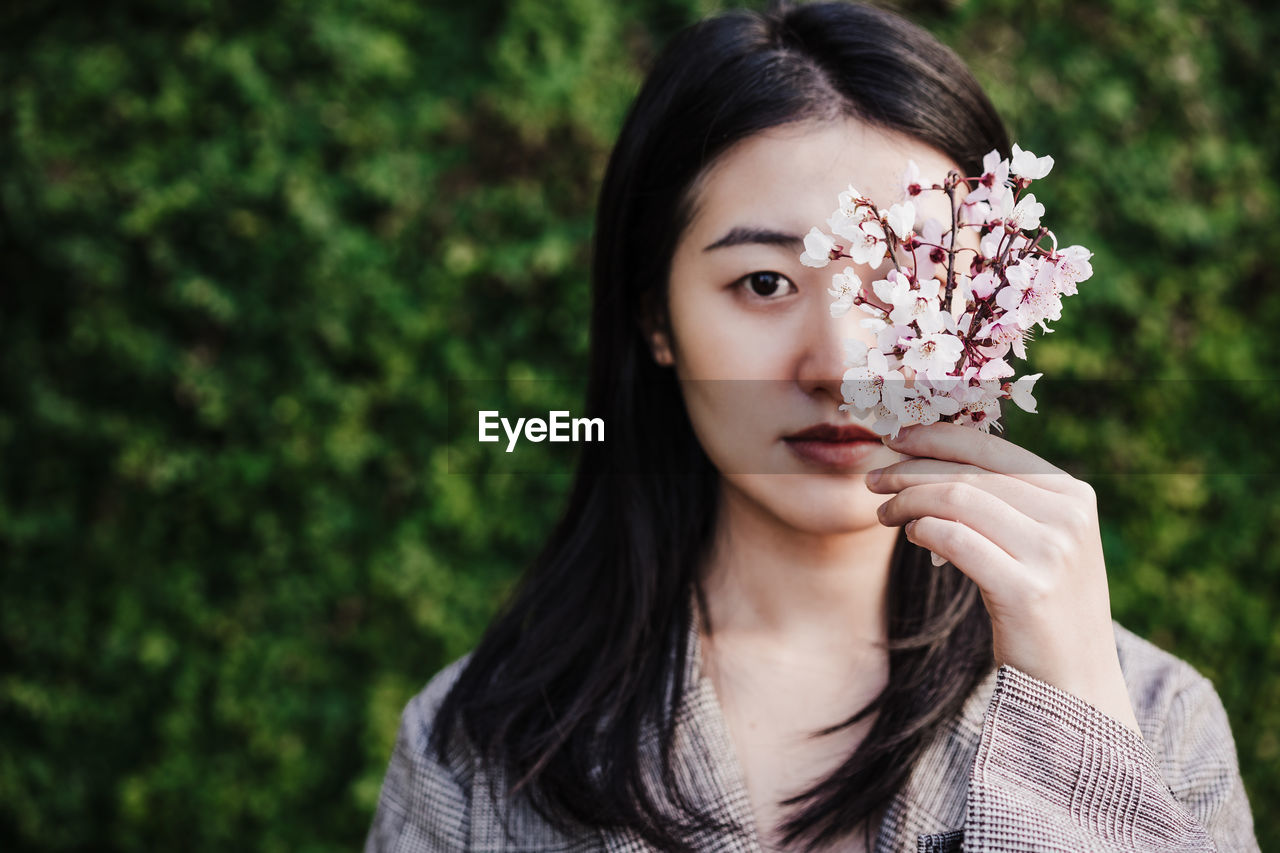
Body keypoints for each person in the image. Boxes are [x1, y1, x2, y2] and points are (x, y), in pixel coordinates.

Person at [364, 2, 1260, 850]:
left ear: (990, 304)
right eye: (763, 284)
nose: (838, 363)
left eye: (901, 279)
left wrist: (1076, 724)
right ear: (657, 322)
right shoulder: (480, 749)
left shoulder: (1153, 717)